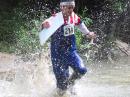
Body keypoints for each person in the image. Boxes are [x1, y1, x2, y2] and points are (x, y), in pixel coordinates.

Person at [42, 0, 96, 95]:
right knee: (62, 88)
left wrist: (88, 33)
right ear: (62, 7)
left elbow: (80, 24)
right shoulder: (55, 18)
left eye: (72, 7)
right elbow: (44, 25)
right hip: (57, 54)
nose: (71, 10)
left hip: (71, 51)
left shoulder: (74, 17)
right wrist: (44, 24)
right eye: (69, 7)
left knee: (81, 70)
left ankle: (71, 83)